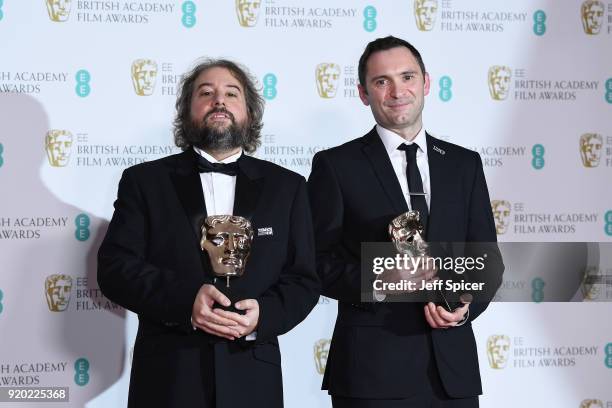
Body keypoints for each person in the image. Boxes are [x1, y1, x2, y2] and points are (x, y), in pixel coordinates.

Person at [98, 58, 320, 408]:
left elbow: (305, 278)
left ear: (249, 113)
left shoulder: (288, 188)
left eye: (231, 93)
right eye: (206, 93)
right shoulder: (144, 182)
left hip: (253, 379)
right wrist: (186, 301)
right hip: (168, 377)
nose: (219, 100)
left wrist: (264, 315)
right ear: (187, 112)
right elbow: (115, 269)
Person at [308, 36, 503, 407]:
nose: (397, 90)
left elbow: (487, 259)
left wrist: (464, 306)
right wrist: (377, 277)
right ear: (364, 94)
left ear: (426, 83)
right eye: (382, 81)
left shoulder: (464, 165)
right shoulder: (336, 166)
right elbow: (313, 263)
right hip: (371, 372)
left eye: (407, 77)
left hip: (453, 374)